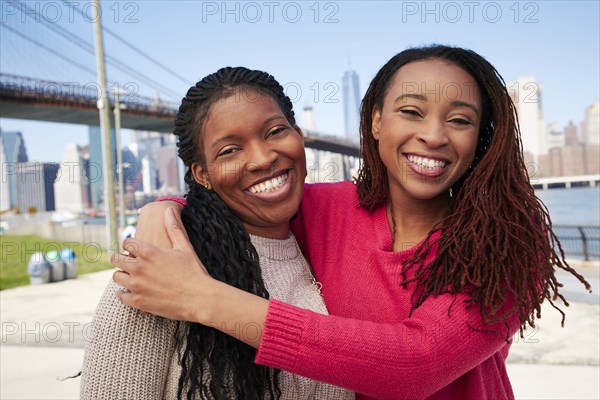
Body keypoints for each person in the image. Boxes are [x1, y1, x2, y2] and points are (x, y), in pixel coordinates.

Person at [112, 45, 592, 399]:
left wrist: (204, 299)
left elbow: (415, 365)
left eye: (460, 120)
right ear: (377, 120)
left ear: (480, 138)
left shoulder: (509, 242)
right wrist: (165, 211)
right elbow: (248, 190)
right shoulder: (326, 208)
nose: (433, 135)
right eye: (411, 112)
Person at [80, 67, 354, 400]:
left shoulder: (323, 247)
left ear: (298, 135)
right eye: (229, 150)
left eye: (275, 131)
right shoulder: (158, 268)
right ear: (202, 174)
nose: (262, 158)